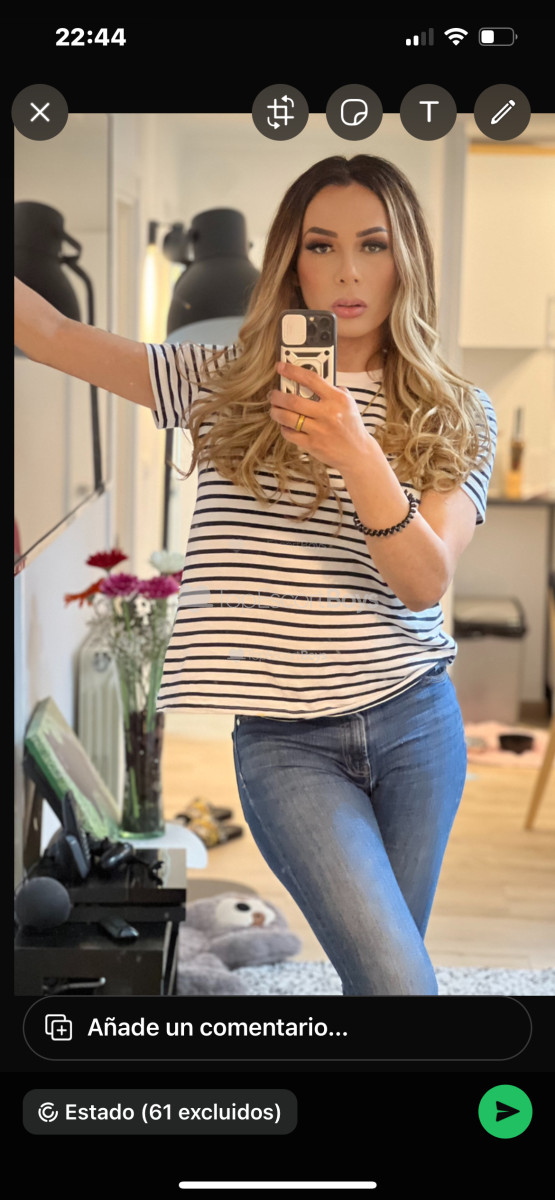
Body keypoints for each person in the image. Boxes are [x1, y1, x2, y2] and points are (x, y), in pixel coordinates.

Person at [14, 155, 496, 996]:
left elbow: (423, 583)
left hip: (416, 724)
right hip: (285, 745)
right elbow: (53, 336)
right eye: (321, 245)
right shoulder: (221, 381)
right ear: (291, 260)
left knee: (381, 978)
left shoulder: (456, 410)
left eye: (373, 245)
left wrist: (355, 451)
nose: (348, 273)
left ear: (406, 258)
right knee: (398, 984)